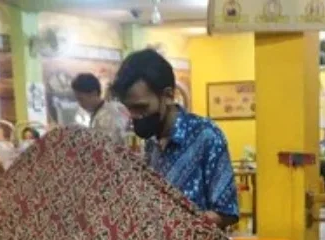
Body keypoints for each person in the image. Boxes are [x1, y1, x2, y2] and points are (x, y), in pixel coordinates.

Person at [112, 49, 239, 228]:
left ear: (168, 96)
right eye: (130, 109)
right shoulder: (151, 143)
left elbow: (227, 211)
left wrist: (185, 225)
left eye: (141, 107)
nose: (136, 116)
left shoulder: (206, 136)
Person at [71, 73, 131, 146]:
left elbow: (105, 148)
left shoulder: (106, 116)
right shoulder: (111, 106)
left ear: (93, 93)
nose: (79, 104)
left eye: (81, 99)